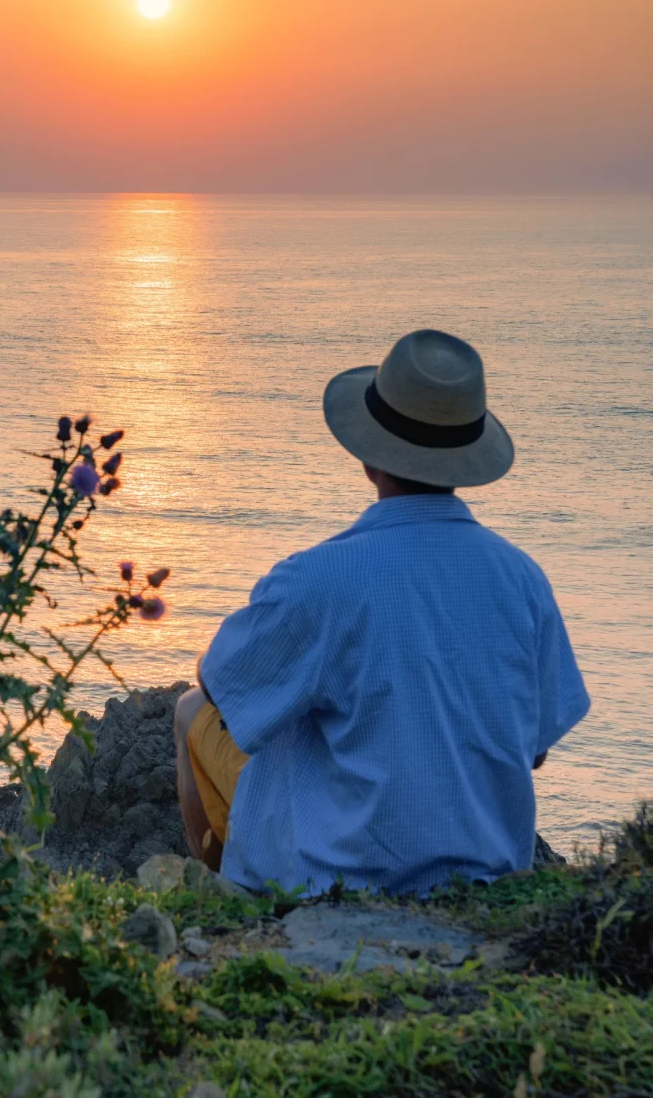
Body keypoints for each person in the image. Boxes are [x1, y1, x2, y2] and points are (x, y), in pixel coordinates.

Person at [175, 328, 589, 896]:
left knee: (189, 709)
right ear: (464, 461)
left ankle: (228, 903)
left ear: (370, 457)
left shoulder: (319, 578)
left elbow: (223, 684)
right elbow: (535, 750)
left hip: (340, 883)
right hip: (487, 878)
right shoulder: (524, 579)